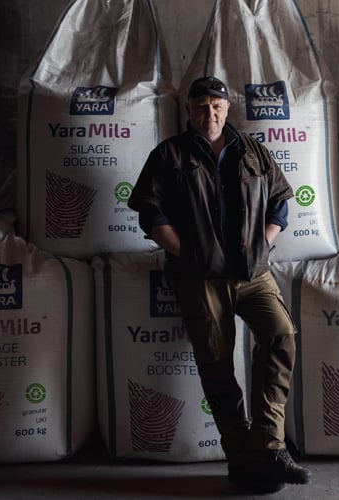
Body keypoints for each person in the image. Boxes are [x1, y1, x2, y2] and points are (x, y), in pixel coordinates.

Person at [127, 76, 311, 492]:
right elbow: (148, 211)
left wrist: (264, 242)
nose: (209, 114)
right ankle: (241, 459)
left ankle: (268, 443)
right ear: (189, 111)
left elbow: (281, 198)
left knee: (281, 335)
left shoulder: (252, 150)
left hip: (253, 273)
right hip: (200, 278)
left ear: (227, 110)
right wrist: (184, 253)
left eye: (217, 106)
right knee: (217, 365)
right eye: (201, 106)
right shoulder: (169, 154)